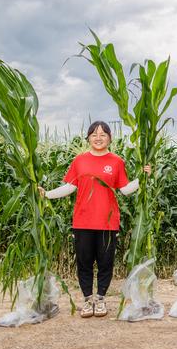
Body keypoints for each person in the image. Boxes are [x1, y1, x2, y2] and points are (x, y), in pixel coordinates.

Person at [38, 121, 150, 318]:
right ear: (88, 137)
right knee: (84, 263)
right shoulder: (79, 160)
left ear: (110, 138)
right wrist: (46, 194)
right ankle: (87, 300)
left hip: (108, 222)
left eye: (103, 134)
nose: (98, 138)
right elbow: (69, 187)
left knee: (106, 262)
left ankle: (100, 300)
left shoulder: (116, 161)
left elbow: (125, 190)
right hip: (82, 221)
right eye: (94, 134)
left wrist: (144, 177)